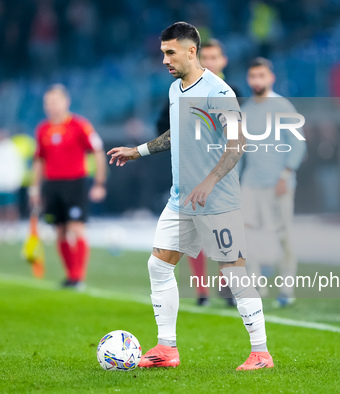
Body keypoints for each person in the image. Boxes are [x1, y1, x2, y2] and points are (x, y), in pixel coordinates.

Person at [108, 22, 273, 371]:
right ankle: (167, 348)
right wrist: (137, 151)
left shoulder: (219, 92)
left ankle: (261, 352)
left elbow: (238, 143)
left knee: (233, 273)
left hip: (217, 201)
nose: (165, 59)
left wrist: (210, 181)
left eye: (170, 52)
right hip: (181, 198)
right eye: (163, 52)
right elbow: (175, 131)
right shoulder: (175, 89)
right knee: (159, 265)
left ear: (191, 51)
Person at [156, 38, 240, 307]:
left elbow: (241, 139)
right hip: (194, 177)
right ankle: (202, 290)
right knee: (194, 238)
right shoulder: (180, 90)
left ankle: (229, 289)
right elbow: (165, 124)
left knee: (229, 243)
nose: (211, 62)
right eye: (209, 58)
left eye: (216, 58)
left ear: (223, 61)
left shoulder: (228, 91)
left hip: (227, 177)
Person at [239, 57, 306, 307]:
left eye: (261, 75)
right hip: (251, 183)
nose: (257, 80)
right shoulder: (245, 110)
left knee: (283, 235)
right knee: (245, 237)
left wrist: (286, 175)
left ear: (271, 78)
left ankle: (286, 289)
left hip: (278, 182)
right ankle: (255, 285)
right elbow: (238, 152)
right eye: (253, 76)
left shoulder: (283, 106)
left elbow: (298, 143)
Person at [30, 84, 107, 291]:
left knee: (76, 228)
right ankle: (70, 276)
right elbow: (39, 161)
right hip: (52, 185)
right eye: (48, 103)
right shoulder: (42, 129)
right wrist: (34, 188)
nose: (51, 106)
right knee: (60, 231)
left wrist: (99, 183)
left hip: (75, 183)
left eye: (55, 102)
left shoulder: (80, 125)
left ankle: (78, 277)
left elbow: (98, 152)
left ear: (66, 102)